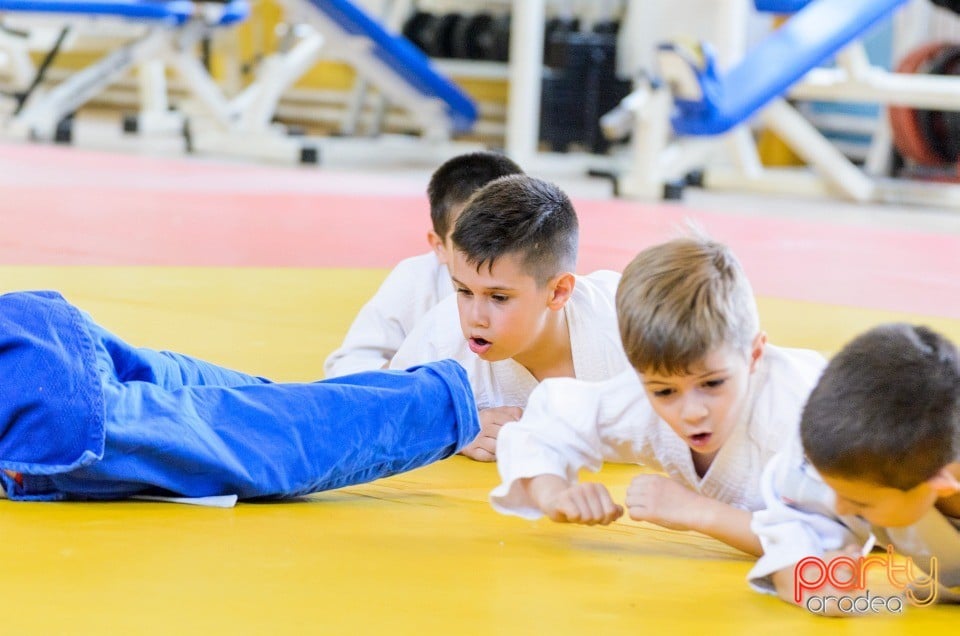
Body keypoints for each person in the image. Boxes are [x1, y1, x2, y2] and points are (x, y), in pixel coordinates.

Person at [490, 234, 827, 556]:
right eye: (664, 392)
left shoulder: (796, 416)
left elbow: (831, 543)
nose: (692, 412)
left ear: (754, 355)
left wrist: (700, 513)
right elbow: (547, 423)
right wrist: (553, 493)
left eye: (712, 384)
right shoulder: (642, 398)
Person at [0, 290, 479, 504]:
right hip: (32, 331)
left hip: (47, 414)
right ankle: (455, 398)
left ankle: (448, 403)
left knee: (263, 436)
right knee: (262, 406)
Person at [389, 174, 630, 462]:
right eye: (464, 291)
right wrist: (456, 431)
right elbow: (389, 416)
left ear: (558, 292)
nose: (475, 317)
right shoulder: (442, 338)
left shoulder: (631, 332)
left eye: (499, 297)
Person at [748, 323, 960, 614]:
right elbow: (789, 533)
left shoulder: (902, 456)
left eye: (861, 502)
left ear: (940, 482)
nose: (840, 506)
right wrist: (808, 583)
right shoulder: (842, 443)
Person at [323, 151, 523, 379]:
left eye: (502, 236)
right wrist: (421, 376)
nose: (486, 252)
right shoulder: (416, 282)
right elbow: (346, 372)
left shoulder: (544, 283)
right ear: (439, 246)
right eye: (467, 240)